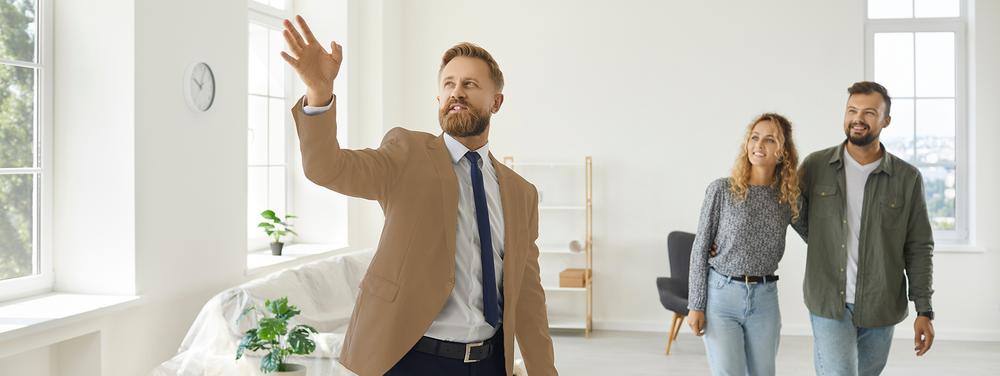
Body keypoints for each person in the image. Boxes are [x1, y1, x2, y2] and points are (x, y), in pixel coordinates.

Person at [279, 15, 558, 376]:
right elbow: (328, 168)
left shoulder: (522, 194)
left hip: (488, 363)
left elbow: (529, 298)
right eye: (449, 84)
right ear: (439, 98)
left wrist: (544, 371)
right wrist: (319, 93)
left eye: (471, 84)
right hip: (410, 359)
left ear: (496, 102)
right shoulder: (406, 153)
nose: (457, 91)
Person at [795, 81, 935, 375]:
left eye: (869, 112)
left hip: (881, 304)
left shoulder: (907, 178)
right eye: (852, 110)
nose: (858, 118)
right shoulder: (815, 166)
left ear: (886, 120)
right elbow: (787, 212)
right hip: (828, 302)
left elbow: (919, 247)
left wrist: (924, 309)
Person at [687, 113, 801, 376]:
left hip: (765, 299)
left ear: (783, 152)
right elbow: (700, 249)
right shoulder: (721, 190)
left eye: (770, 140)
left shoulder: (788, 198)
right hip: (721, 296)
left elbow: (816, 235)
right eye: (754, 138)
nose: (759, 145)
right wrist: (696, 305)